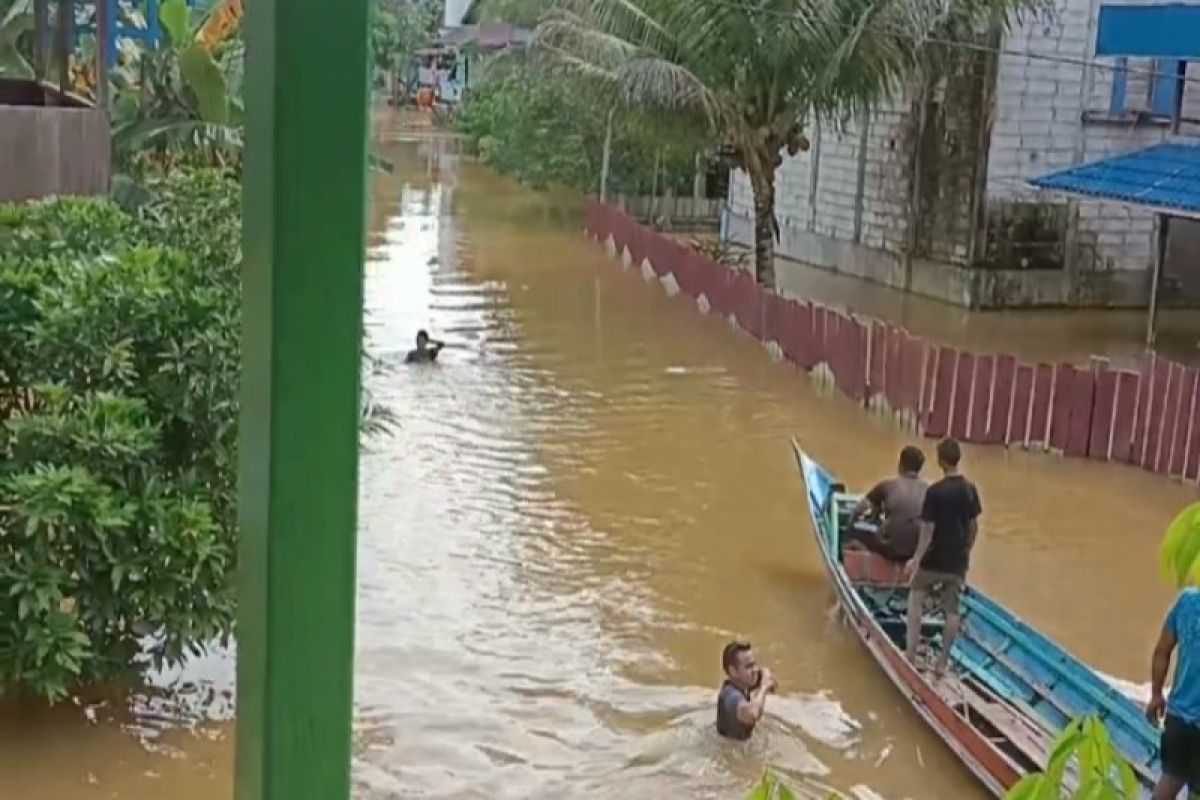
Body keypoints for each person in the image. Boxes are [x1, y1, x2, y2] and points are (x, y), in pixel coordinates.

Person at [903, 437, 981, 675]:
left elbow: (928, 530)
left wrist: (916, 559)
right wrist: (967, 551)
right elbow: (973, 526)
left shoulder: (935, 492)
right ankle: (942, 664)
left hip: (934, 558)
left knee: (916, 599)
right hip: (957, 561)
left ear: (940, 460)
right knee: (952, 611)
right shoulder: (970, 489)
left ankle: (910, 655)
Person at [1147, 588, 1200, 799]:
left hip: (1177, 719)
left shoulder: (1186, 603)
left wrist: (1156, 695)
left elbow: (1162, 651)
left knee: (1169, 779)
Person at [847, 446, 928, 562]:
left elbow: (858, 509)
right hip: (917, 550)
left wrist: (851, 523)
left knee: (856, 532)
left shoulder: (888, 486)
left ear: (900, 464)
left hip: (890, 548)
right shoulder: (929, 490)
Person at [716, 640, 776, 740]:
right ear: (733, 671)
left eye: (755, 664)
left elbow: (772, 687)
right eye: (749, 666)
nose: (755, 670)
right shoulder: (731, 696)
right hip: (731, 751)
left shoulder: (742, 686)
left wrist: (765, 679)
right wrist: (764, 687)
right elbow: (752, 714)